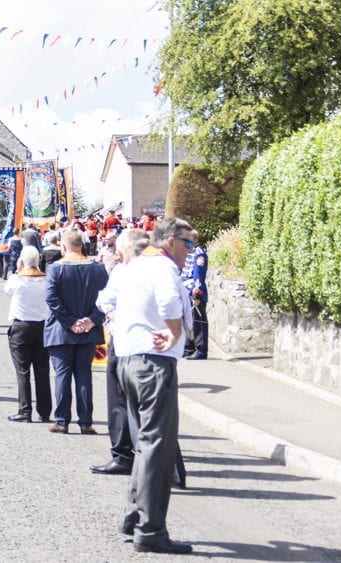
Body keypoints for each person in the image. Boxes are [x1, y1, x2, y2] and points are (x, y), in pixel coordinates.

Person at [114, 217, 194, 554]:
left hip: (131, 360)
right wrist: (175, 331)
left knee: (146, 444)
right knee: (157, 447)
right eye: (188, 244)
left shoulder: (134, 266)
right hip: (152, 363)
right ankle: (150, 529)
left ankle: (135, 517)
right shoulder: (161, 267)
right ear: (171, 241)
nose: (190, 252)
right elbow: (168, 303)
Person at [91, 228, 150, 475]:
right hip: (145, 345)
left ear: (126, 250)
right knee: (142, 403)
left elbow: (105, 301)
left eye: (119, 251)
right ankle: (135, 455)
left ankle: (127, 455)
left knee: (124, 401)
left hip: (133, 342)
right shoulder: (158, 269)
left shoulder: (125, 272)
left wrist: (117, 315)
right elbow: (104, 300)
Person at [43, 230, 109, 434]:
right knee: (84, 375)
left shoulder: (55, 269)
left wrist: (70, 322)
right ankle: (86, 422)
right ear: (81, 245)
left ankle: (62, 421)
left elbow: (52, 299)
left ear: (63, 247)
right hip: (88, 329)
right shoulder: (98, 269)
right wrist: (92, 319)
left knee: (62, 375)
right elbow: (107, 298)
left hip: (61, 330)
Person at [3, 246, 51, 423]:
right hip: (42, 326)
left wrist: (18, 269)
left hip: (21, 326)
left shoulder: (16, 279)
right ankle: (45, 411)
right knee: (42, 370)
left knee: (22, 371)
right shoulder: (46, 280)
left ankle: (25, 410)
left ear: (22, 261)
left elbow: (7, 290)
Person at [181, 230, 209, 360]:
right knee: (188, 321)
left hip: (194, 291)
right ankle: (188, 347)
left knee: (198, 321)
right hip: (186, 290)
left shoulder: (199, 254)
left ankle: (201, 350)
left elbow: (199, 276)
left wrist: (196, 295)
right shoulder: (190, 252)